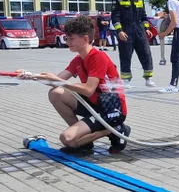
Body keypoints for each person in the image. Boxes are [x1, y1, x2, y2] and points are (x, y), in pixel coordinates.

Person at [19, 16, 130, 154]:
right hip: (94, 105)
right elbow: (56, 81)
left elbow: (88, 90)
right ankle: (85, 140)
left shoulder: (98, 57)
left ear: (85, 39)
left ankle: (116, 129)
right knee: (55, 93)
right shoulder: (78, 59)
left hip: (111, 110)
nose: (67, 42)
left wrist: (58, 81)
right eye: (67, 38)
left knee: (67, 139)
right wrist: (31, 75)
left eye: (71, 38)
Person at [111, 0, 154, 88]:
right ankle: (126, 80)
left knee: (145, 53)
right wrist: (119, 31)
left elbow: (144, 16)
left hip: (139, 30)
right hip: (126, 30)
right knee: (125, 55)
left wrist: (147, 28)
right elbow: (115, 17)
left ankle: (148, 78)